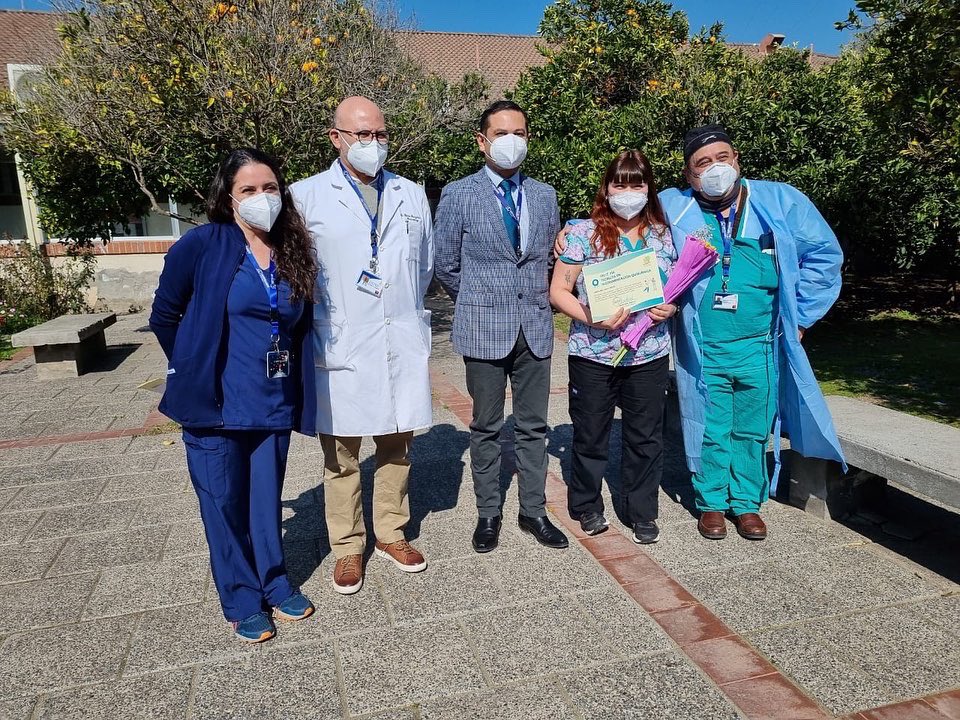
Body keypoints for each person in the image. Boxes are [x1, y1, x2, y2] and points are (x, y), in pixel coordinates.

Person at [557, 124, 846, 542]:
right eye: (702, 163)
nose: (715, 169)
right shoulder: (676, 206)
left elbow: (824, 255)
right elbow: (619, 211)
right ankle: (710, 502)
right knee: (708, 421)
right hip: (703, 343)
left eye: (722, 158)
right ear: (689, 176)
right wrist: (566, 228)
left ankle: (747, 504)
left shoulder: (781, 201)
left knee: (753, 423)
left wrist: (800, 319)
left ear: (737, 159)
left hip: (760, 341)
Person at [150, 148, 319, 643]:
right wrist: (194, 364)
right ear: (228, 197)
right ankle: (242, 598)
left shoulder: (292, 248)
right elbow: (165, 316)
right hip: (215, 405)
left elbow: (297, 323)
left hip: (272, 399)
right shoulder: (202, 245)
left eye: (270, 188)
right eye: (249, 190)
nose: (261, 198)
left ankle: (275, 581)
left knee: (264, 500)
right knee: (223, 505)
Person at [290, 96, 433, 595]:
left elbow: (425, 267)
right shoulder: (304, 196)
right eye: (361, 135)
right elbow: (296, 272)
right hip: (342, 340)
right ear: (336, 138)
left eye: (380, 133)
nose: (373, 143)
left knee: (397, 445)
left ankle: (392, 532)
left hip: (398, 335)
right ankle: (348, 546)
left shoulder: (412, 194)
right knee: (341, 453)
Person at [434, 99, 567, 553]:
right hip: (483, 327)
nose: (511, 141)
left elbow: (550, 257)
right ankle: (488, 512)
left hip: (534, 327)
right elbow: (446, 264)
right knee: (486, 426)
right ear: (482, 141)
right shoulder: (459, 193)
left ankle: (533, 511)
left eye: (520, 133)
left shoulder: (545, 196)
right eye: (502, 133)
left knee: (534, 428)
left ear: (528, 139)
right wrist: (477, 300)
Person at [550, 150, 677, 544]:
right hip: (593, 353)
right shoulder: (581, 233)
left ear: (648, 188)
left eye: (636, 183)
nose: (628, 192)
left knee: (645, 436)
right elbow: (558, 291)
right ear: (606, 188)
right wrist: (592, 317)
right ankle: (586, 505)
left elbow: (677, 288)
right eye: (619, 183)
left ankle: (641, 510)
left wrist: (669, 307)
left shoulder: (664, 233)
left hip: (649, 353)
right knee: (590, 432)